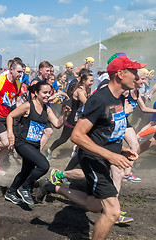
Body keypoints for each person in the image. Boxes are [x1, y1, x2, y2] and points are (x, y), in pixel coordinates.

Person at [36, 53, 144, 240]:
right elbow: (77, 136)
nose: (137, 76)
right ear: (120, 74)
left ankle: (53, 188)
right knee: (112, 212)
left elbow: (105, 131)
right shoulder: (100, 99)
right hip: (94, 159)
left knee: (95, 206)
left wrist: (122, 150)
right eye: (133, 71)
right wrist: (111, 156)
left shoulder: (118, 98)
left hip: (104, 157)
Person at [4, 81, 71, 205]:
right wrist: (10, 134)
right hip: (22, 143)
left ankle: (11, 192)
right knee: (44, 165)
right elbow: (10, 116)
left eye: (49, 93)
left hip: (35, 144)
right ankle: (25, 187)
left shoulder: (47, 108)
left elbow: (57, 124)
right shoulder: (28, 106)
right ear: (36, 93)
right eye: (44, 93)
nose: (47, 95)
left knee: (26, 171)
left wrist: (64, 115)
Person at [0, 59, 23, 175]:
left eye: (21, 72)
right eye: (18, 71)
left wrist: (22, 113)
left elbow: (18, 101)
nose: (20, 74)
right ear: (11, 70)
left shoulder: (18, 84)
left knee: (10, 143)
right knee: (6, 142)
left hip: (8, 117)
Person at [47, 72, 94, 159]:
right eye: (90, 81)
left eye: (93, 81)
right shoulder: (79, 91)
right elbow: (86, 103)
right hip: (72, 119)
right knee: (63, 138)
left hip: (79, 119)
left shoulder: (85, 90)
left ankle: (79, 154)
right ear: (84, 81)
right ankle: (49, 150)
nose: (92, 83)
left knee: (84, 136)